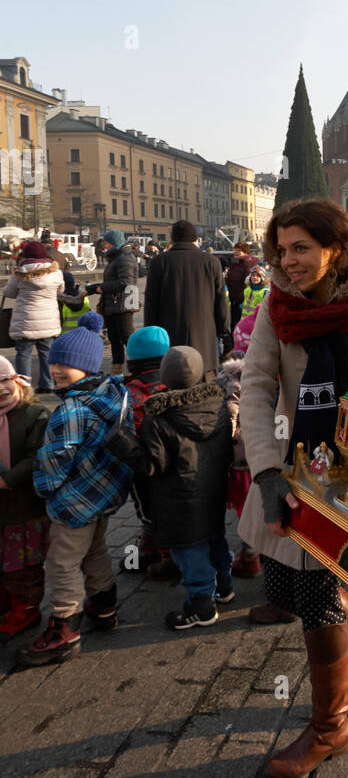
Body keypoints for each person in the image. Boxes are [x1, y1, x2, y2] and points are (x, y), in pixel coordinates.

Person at [239, 197, 348, 778]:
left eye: (301, 248)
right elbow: (257, 387)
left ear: (336, 249)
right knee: (286, 585)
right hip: (291, 467)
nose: (289, 261)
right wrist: (263, 473)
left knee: (315, 595)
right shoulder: (276, 305)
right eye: (281, 250)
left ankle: (330, 727)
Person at [21, 314, 132, 667]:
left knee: (62, 562)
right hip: (105, 493)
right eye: (53, 361)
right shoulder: (113, 393)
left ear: (85, 366)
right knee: (95, 550)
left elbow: (54, 460)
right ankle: (104, 606)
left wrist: (43, 489)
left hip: (74, 501)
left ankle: (64, 626)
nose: (55, 369)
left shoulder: (69, 410)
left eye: (64, 364)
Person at [108, 346, 234, 630]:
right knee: (215, 538)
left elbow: (153, 465)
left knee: (191, 552)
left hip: (179, 502)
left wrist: (124, 445)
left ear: (165, 376)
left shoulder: (159, 419)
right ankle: (224, 587)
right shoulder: (219, 407)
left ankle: (202, 606)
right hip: (213, 492)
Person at [0, 359, 50, 643]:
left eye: (4, 380)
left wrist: (8, 479)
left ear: (17, 380)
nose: (0, 389)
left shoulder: (34, 414)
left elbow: (37, 456)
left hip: (24, 508)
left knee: (23, 567)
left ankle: (26, 609)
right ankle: (6, 602)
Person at [120, 324, 175, 579]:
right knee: (164, 508)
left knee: (147, 509)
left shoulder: (129, 392)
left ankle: (165, 557)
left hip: (142, 466)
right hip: (175, 464)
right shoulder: (175, 385)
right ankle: (154, 546)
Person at [144, 220, 231, 378]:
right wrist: (223, 329)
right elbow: (221, 299)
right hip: (204, 335)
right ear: (195, 238)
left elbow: (151, 302)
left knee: (173, 380)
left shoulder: (159, 262)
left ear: (173, 238)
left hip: (169, 336)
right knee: (206, 385)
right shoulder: (211, 261)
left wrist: (151, 331)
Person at [217, 347, 263, 582]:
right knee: (256, 507)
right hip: (256, 457)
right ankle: (258, 552)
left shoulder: (229, 385)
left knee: (246, 511)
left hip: (240, 463)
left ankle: (251, 557)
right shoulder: (259, 380)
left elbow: (232, 419)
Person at [1, 240, 63, 393]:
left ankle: (25, 387)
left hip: (25, 321)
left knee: (23, 353)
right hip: (48, 321)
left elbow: (9, 293)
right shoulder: (55, 272)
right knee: (46, 352)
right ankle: (47, 384)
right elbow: (60, 291)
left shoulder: (20, 273)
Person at [87, 229, 138, 371]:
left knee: (128, 338)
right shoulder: (116, 257)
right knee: (114, 339)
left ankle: (143, 367)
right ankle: (116, 370)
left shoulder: (125, 258)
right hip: (114, 304)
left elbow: (125, 283)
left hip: (124, 304)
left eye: (106, 243)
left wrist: (102, 288)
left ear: (114, 243)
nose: (104, 245)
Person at [224, 241, 256, 332]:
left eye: (239, 251)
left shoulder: (247, 265)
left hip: (242, 300)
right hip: (233, 298)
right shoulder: (235, 263)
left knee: (239, 323)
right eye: (235, 250)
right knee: (233, 323)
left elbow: (249, 283)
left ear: (245, 252)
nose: (236, 252)